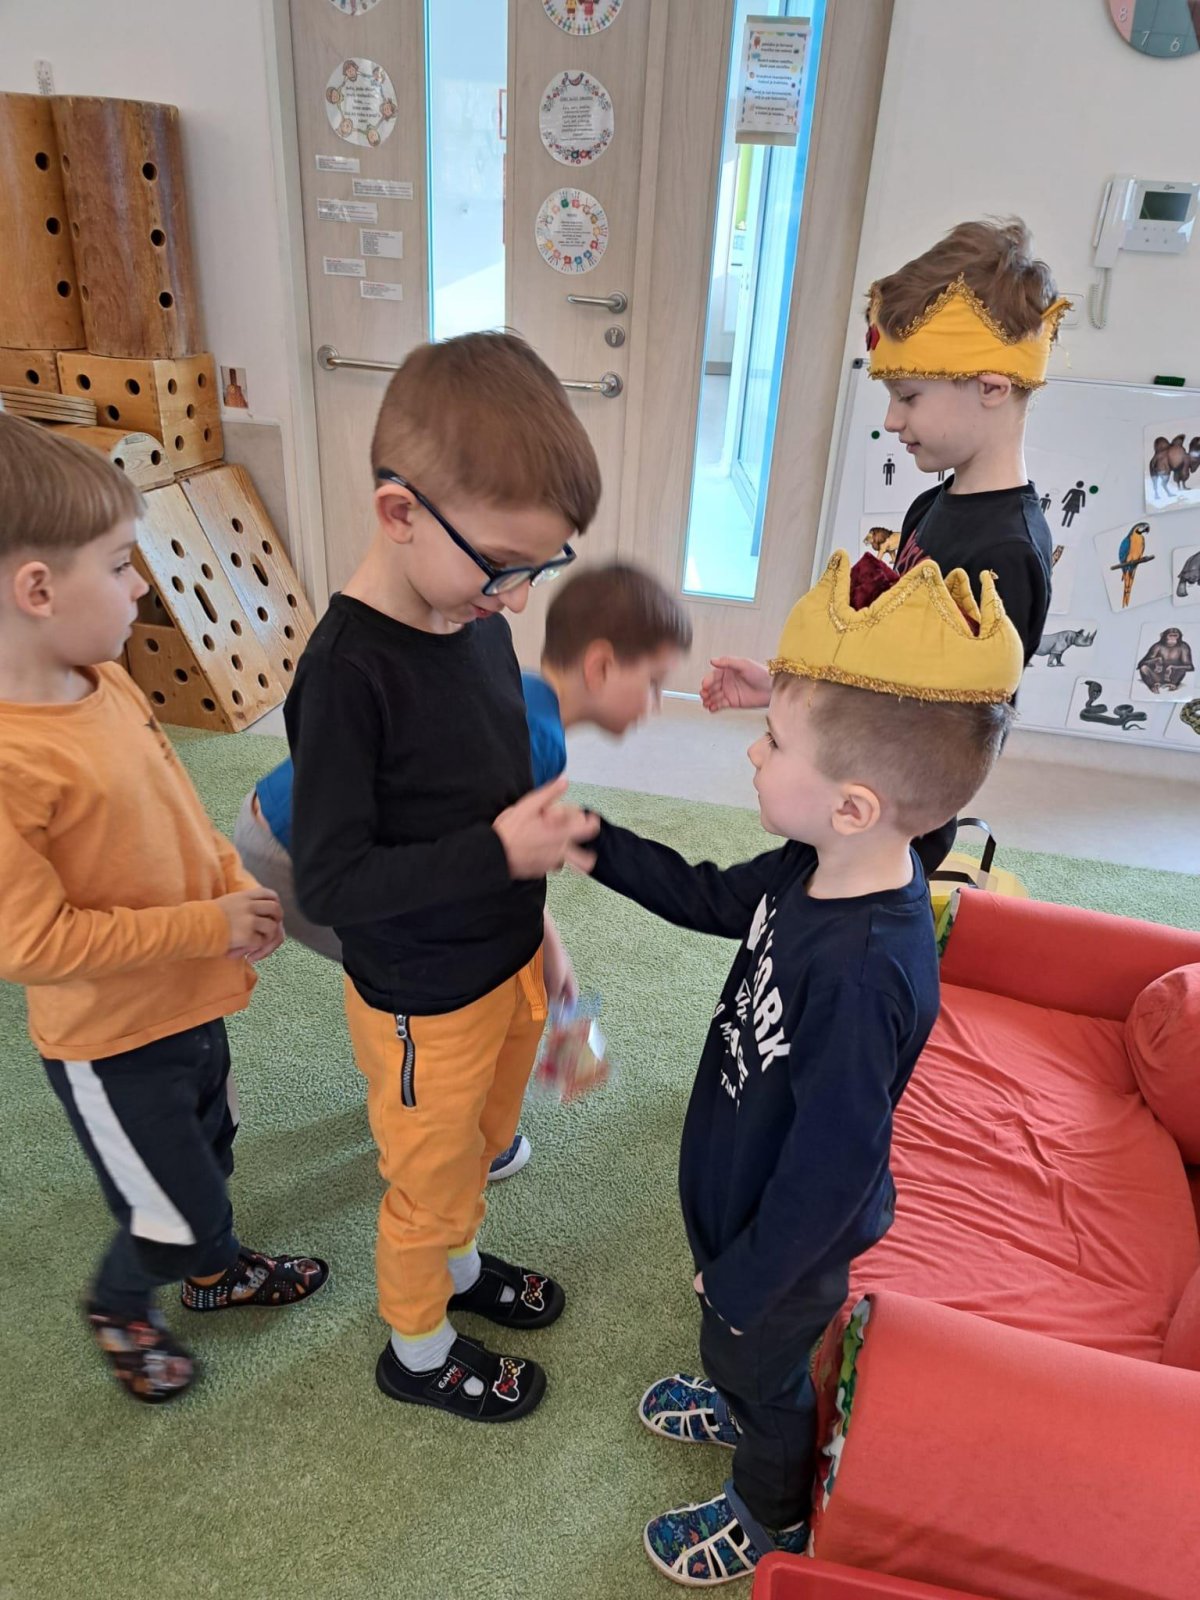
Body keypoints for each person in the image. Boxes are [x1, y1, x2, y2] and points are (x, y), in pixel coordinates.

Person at [573, 549, 1023, 1586]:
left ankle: (766, 1510)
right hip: (741, 1171)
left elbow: (833, 1170)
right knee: (736, 1344)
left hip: (790, 1238)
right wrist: (595, 842)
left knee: (761, 1369)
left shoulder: (867, 974)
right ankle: (735, 1378)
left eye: (773, 743)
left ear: (854, 805)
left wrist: (745, 1281)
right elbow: (707, 895)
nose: (753, 751)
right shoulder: (821, 862)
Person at [284, 332, 602, 1423]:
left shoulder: (468, 619)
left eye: (538, 570)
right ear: (400, 512)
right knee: (427, 1178)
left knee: (480, 1143)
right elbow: (331, 883)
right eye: (503, 565)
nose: (515, 599)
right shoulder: (346, 676)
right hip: (422, 997)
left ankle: (461, 1269)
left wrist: (545, 940)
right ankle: (418, 1349)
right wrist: (497, 856)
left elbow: (495, 802)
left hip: (504, 964)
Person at [0, 414, 328, 1405]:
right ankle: (120, 1303)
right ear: (37, 590)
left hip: (188, 1003)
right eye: (119, 565)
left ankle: (214, 1273)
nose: (141, 584)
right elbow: (31, 941)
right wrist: (205, 926)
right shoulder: (13, 762)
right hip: (112, 1041)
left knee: (212, 1149)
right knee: (171, 1213)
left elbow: (175, 801)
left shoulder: (102, 680)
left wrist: (230, 882)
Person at [233, 560, 692, 1180]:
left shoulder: (520, 693)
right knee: (415, 975)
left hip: (279, 820)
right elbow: (478, 867)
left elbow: (490, 858)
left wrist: (550, 949)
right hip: (290, 851)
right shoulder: (536, 740)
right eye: (655, 683)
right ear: (602, 665)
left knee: (424, 967)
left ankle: (415, 1092)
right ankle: (423, 1118)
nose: (657, 705)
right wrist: (546, 951)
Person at [703, 218, 1068, 874]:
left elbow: (959, 738)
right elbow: (883, 659)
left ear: (992, 387)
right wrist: (789, 689)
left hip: (891, 826)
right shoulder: (932, 503)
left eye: (909, 397)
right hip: (848, 795)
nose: (892, 419)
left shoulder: (1007, 552)